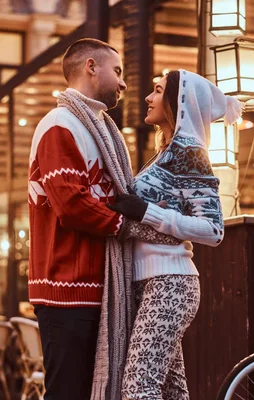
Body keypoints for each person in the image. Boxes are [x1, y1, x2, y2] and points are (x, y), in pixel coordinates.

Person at [27, 38, 176, 400]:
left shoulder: (100, 129)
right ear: (91, 67)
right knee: (68, 393)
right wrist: (133, 226)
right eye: (118, 71)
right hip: (66, 289)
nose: (124, 84)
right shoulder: (60, 124)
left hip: (96, 288)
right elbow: (71, 204)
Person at [108, 69, 243, 399]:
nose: (148, 97)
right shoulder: (167, 153)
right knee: (171, 391)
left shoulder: (189, 151)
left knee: (139, 388)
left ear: (177, 103)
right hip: (152, 282)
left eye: (157, 91)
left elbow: (213, 230)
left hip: (171, 282)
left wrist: (146, 212)